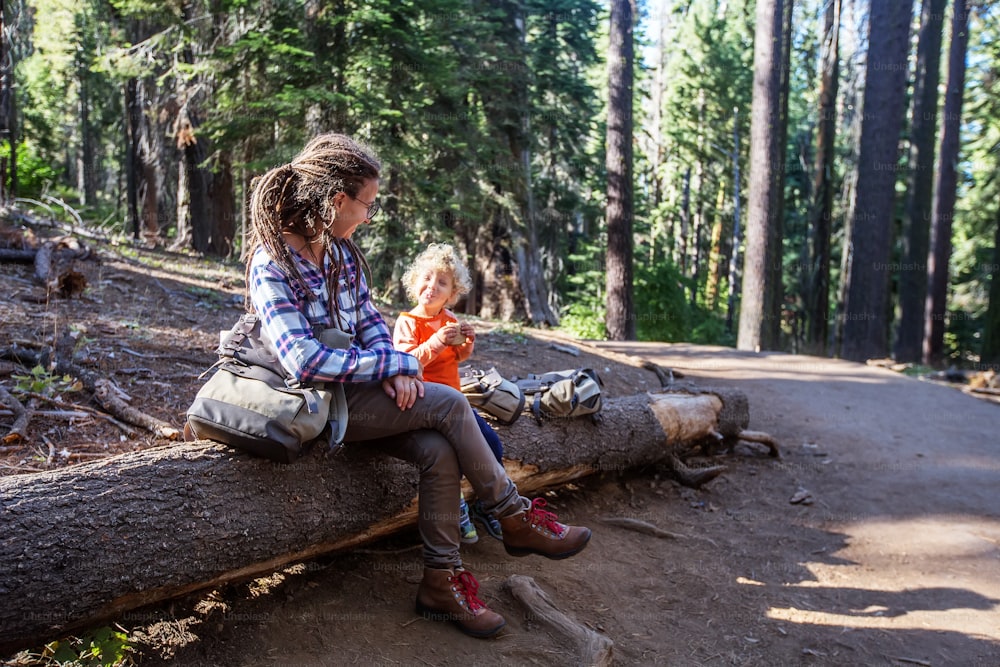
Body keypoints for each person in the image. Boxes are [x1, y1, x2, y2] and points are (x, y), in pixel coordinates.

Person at [243, 133, 591, 639]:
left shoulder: (339, 254)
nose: (367, 216)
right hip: (310, 406)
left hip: (356, 396)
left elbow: (370, 326)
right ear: (338, 200)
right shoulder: (271, 262)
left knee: (437, 451)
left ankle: (439, 582)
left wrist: (400, 366)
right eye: (367, 205)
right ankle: (513, 517)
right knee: (449, 403)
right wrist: (390, 369)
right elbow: (306, 359)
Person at [393, 243, 506, 544]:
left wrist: (466, 342)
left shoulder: (449, 320)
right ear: (414, 282)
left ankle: (487, 505)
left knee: (492, 443)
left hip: (456, 402)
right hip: (424, 403)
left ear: (452, 294)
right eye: (427, 279)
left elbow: (457, 358)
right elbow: (406, 363)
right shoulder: (407, 322)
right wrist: (437, 342)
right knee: (448, 455)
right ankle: (457, 510)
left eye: (442, 283)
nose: (432, 287)